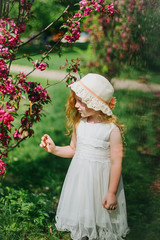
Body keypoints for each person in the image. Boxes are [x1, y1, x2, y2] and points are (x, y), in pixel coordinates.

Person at [40, 73, 129, 240]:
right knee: (83, 212)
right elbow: (74, 149)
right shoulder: (80, 125)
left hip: (100, 182)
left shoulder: (111, 130)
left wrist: (111, 192)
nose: (76, 105)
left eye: (81, 101)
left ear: (95, 103)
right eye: (76, 100)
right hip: (80, 181)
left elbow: (116, 163)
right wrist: (55, 149)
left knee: (100, 216)